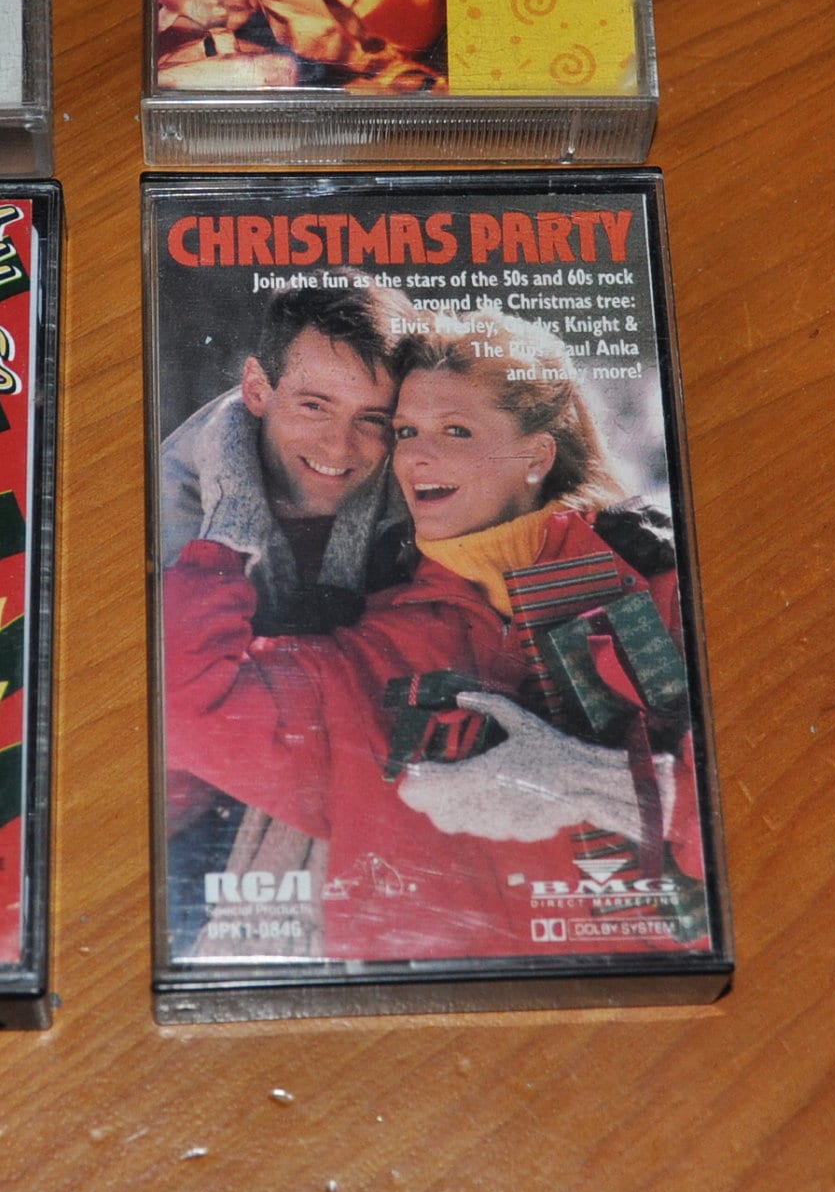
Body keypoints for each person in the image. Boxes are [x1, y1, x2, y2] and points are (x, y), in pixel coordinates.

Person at [161, 306, 705, 965]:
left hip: (643, 1011)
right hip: (426, 1019)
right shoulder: (375, 651)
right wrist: (230, 524)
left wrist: (597, 782)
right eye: (406, 430)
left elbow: (762, 834)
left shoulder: (663, 591)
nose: (416, 454)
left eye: (456, 429)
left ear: (537, 455)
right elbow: (184, 705)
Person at [154, 280, 417, 957]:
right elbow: (172, 699)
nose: (340, 444)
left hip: (331, 771)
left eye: (371, 418)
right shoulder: (171, 500)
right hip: (182, 813)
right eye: (314, 405)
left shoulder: (412, 483)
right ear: (257, 388)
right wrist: (232, 532)